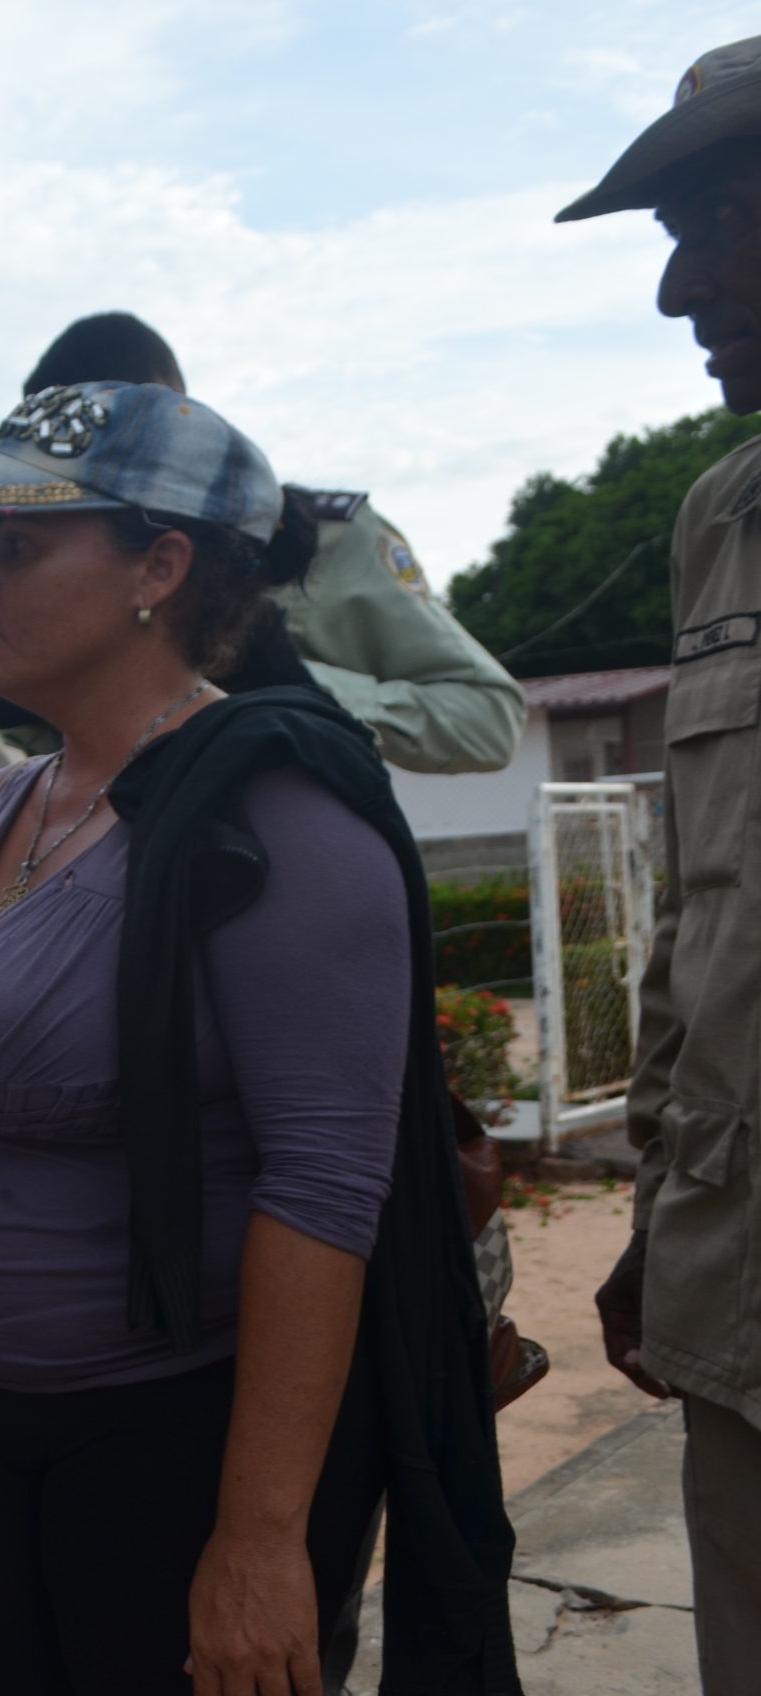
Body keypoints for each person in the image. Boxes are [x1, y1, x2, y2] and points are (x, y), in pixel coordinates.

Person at [0, 382, 516, 1693]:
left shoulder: (272, 808)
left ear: (161, 567)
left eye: (19, 546)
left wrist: (261, 1538)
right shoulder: (7, 804)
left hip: (171, 1439)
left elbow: (325, 1179)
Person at [561, 34, 761, 1692]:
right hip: (741, 1283)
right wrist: (657, 1209)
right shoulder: (722, 517)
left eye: (717, 214)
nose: (680, 289)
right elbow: (700, 910)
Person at [16, 311, 527, 776]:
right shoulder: (69, 569)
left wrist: (297, 689)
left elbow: (489, 720)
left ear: (179, 410)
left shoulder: (322, 539)